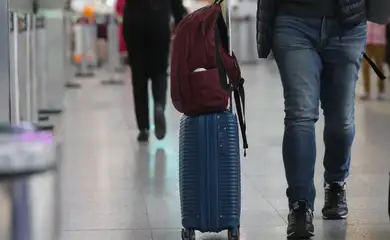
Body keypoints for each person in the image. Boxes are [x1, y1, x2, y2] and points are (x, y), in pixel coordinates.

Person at [257, 0, 366, 238]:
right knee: (300, 114)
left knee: (341, 122)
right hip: (293, 21)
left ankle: (336, 182)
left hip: (346, 24)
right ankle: (300, 204)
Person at [122, 0, 186, 142]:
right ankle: (159, 105)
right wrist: (179, 18)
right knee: (159, 70)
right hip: (158, 17)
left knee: (138, 75)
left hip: (134, 19)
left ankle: (143, 128)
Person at [361, 22, 387, 100]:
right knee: (365, 66)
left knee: (379, 67)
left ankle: (381, 91)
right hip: (366, 41)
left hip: (379, 41)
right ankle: (366, 91)